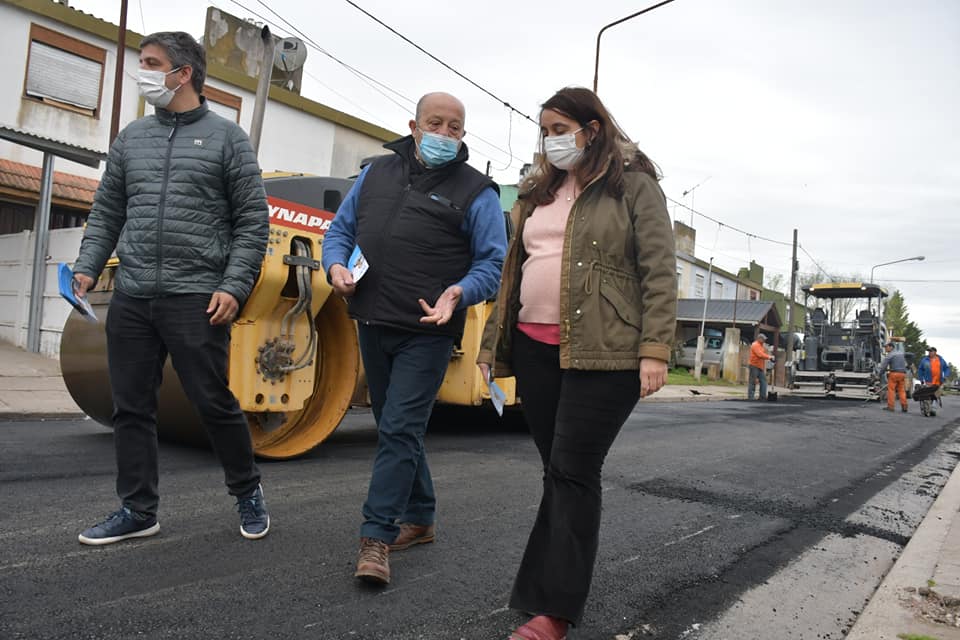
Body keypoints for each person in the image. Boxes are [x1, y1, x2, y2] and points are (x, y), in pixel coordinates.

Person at [476, 87, 677, 640]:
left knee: (573, 471)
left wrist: (654, 349)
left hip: (605, 352)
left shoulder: (632, 185)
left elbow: (659, 271)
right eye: (544, 129)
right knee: (558, 473)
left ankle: (555, 612)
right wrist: (494, 348)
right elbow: (513, 272)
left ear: (592, 128)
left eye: (560, 127)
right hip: (536, 346)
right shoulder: (537, 190)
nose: (551, 139)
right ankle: (544, 594)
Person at [71, 32, 270, 545]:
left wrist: (233, 284)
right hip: (134, 294)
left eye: (153, 64)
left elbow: (252, 223)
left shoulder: (228, 139)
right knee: (131, 406)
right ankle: (138, 509)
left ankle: (247, 491)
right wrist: (87, 266)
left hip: (196, 296)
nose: (144, 72)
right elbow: (108, 209)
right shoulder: (132, 138)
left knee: (212, 401)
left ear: (183, 74)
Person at [321, 92, 507, 585]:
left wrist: (459, 293)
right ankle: (421, 516)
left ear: (463, 135)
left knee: (399, 429)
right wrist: (335, 265)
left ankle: (376, 537)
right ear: (414, 125)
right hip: (372, 321)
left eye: (455, 127)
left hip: (428, 331)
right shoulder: (376, 173)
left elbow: (493, 264)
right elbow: (339, 232)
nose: (445, 134)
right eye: (436, 123)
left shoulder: (477, 191)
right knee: (394, 424)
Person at [878, 342, 909, 412]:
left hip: (894, 374)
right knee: (901, 390)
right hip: (902, 374)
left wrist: (880, 374)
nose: (885, 349)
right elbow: (906, 364)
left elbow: (883, 366)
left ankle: (890, 407)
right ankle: (904, 406)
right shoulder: (901, 353)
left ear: (891, 347)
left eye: (886, 347)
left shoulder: (890, 355)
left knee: (891, 390)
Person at [747, 333, 775, 400]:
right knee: (753, 381)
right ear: (759, 338)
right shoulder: (755, 345)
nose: (764, 340)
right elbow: (759, 354)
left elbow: (763, 354)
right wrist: (769, 357)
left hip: (760, 366)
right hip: (754, 365)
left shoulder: (761, 346)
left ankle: (762, 396)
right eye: (763, 339)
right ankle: (751, 397)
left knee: (763, 381)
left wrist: (769, 357)